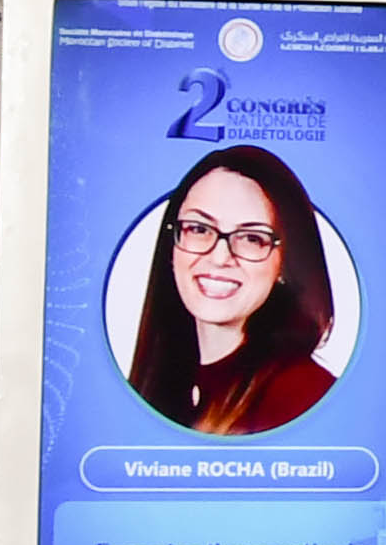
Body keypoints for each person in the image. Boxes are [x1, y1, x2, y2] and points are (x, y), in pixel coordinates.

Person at [123, 143, 344, 438]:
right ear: (173, 245)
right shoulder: (163, 382)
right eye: (199, 229)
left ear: (285, 263)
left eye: (251, 238)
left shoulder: (305, 396)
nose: (219, 257)